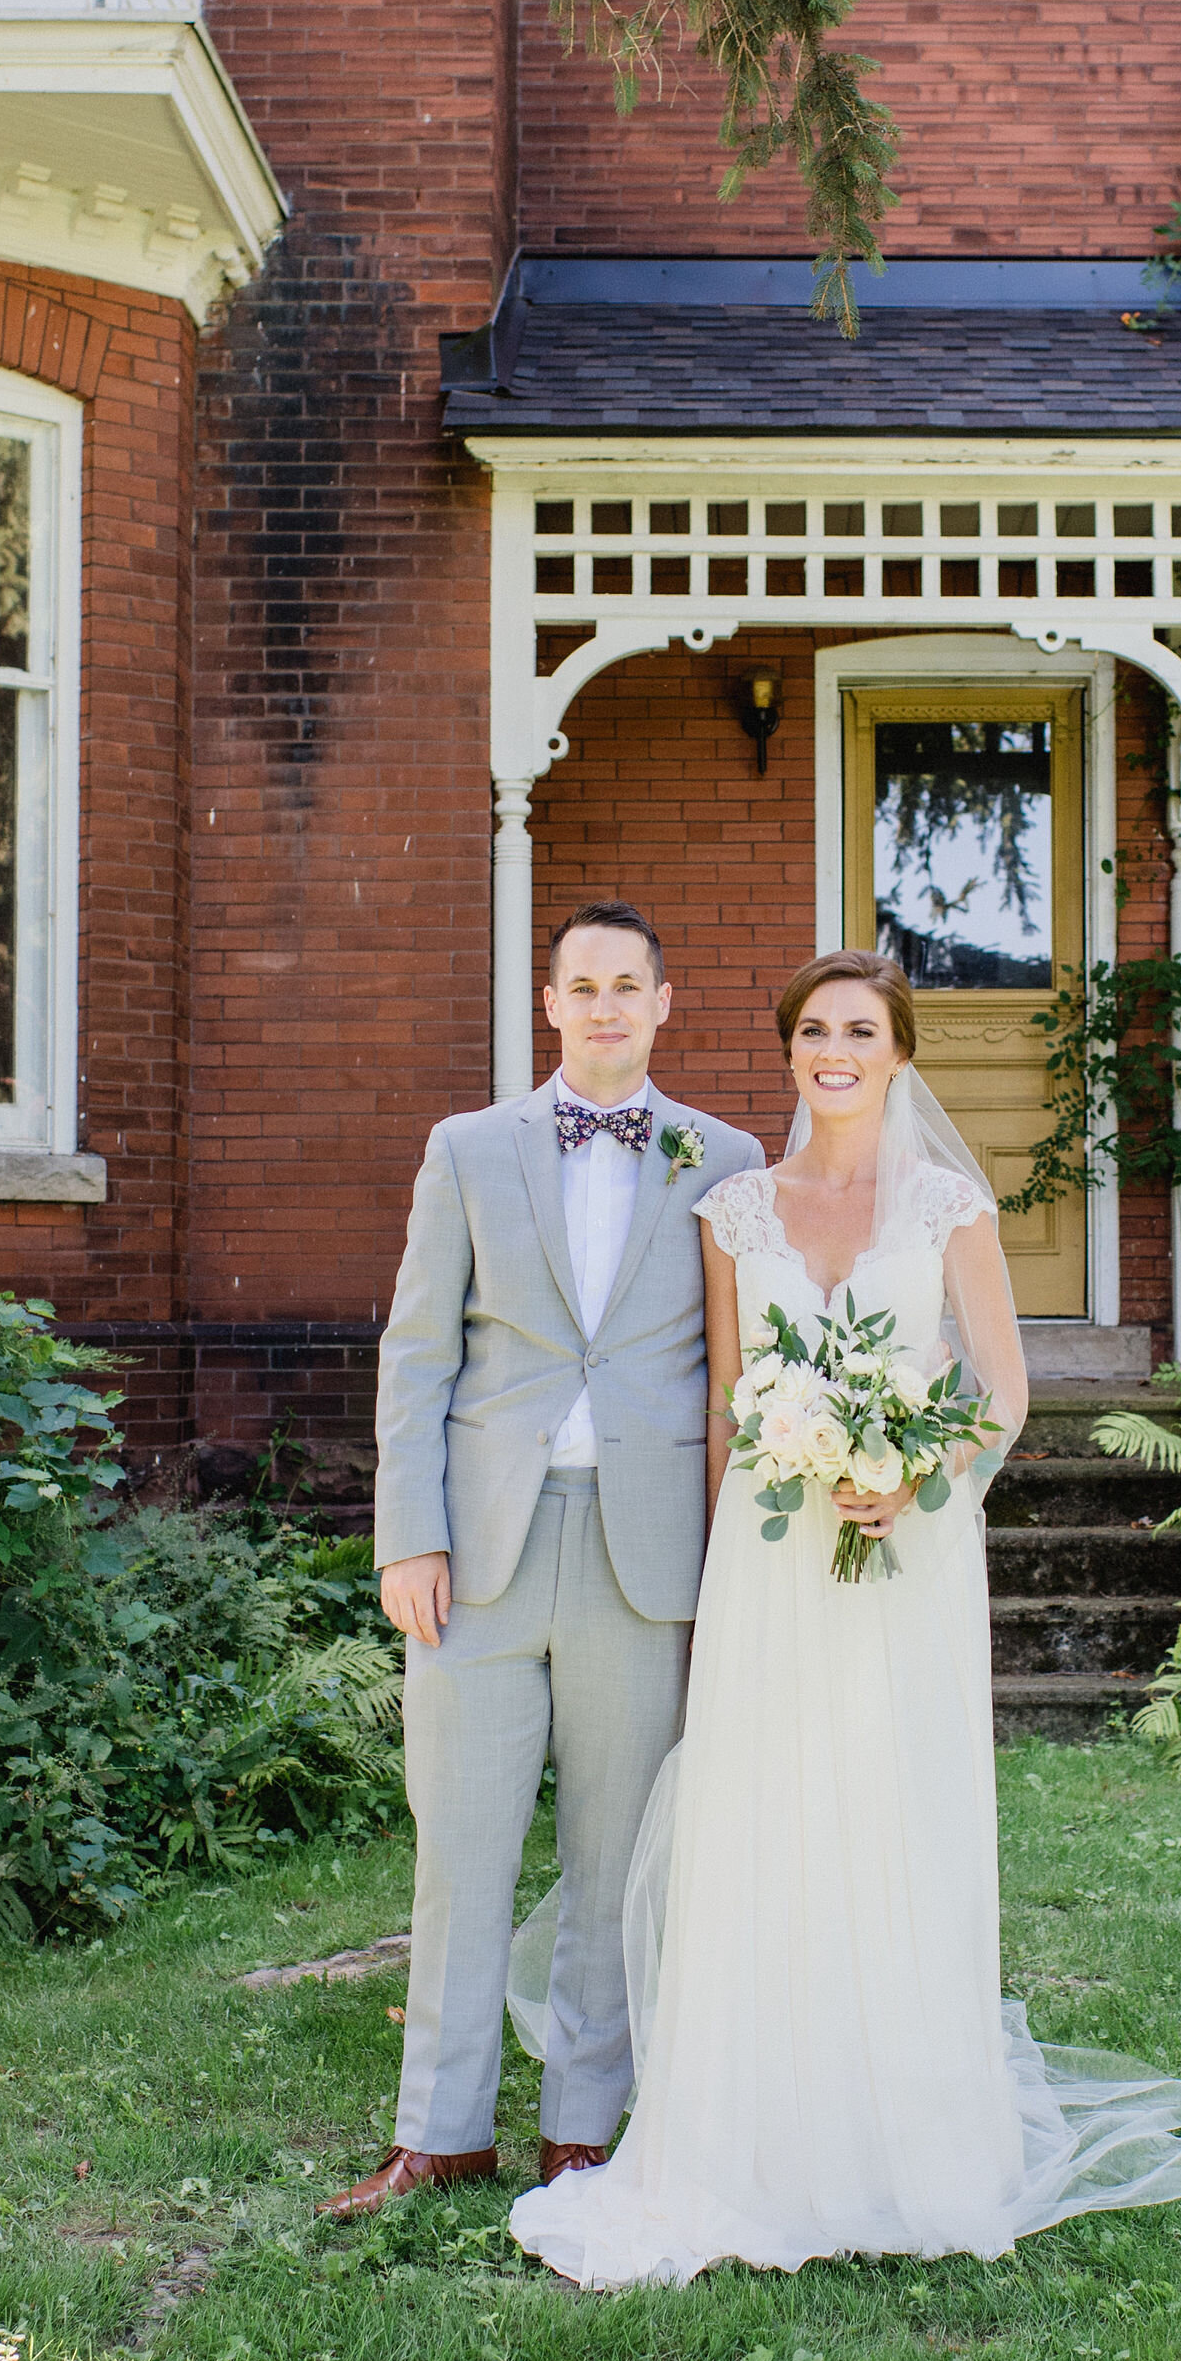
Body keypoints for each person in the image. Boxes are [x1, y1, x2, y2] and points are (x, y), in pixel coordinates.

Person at [507, 948, 1181, 2286]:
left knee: (887, 1808)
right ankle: (744, 2131)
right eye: (813, 1030)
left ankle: (900, 2127)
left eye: (860, 1031)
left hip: (906, 1558)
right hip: (772, 1570)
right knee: (762, 1812)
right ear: (791, 1053)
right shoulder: (737, 1214)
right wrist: (717, 1581)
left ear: (899, 1055)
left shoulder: (945, 1206)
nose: (833, 1050)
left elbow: (999, 1391)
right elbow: (727, 1409)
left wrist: (916, 1475)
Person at [322, 901, 763, 2216]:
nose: (609, 1007)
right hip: (483, 1555)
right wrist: (411, 1533)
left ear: (665, 1002)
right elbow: (416, 1355)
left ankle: (584, 2129)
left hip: (646, 1552)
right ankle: (439, 2131)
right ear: (552, 1004)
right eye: (586, 986)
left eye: (632, 984)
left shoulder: (724, 1159)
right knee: (459, 1848)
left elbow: (743, 1369)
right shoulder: (467, 1151)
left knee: (615, 1854)